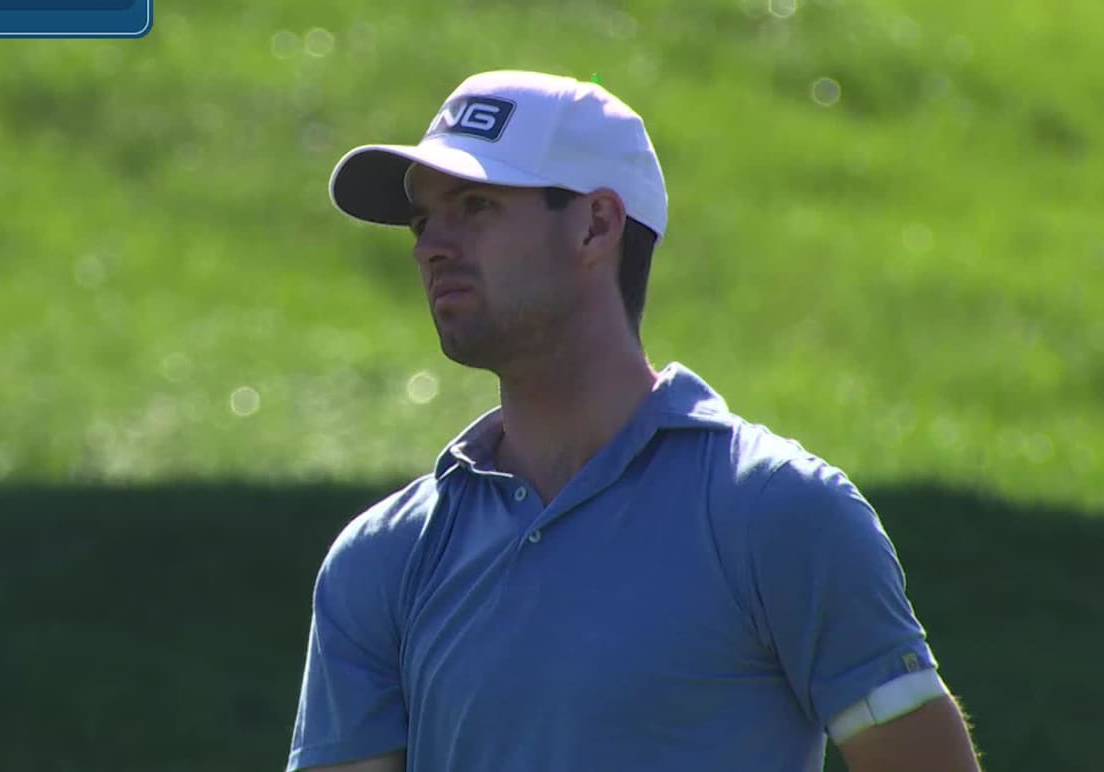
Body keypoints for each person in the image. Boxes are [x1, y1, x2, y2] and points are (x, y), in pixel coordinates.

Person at [285, 70, 984, 772]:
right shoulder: (381, 558)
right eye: (422, 219)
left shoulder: (777, 513)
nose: (429, 246)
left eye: (474, 206)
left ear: (596, 224)